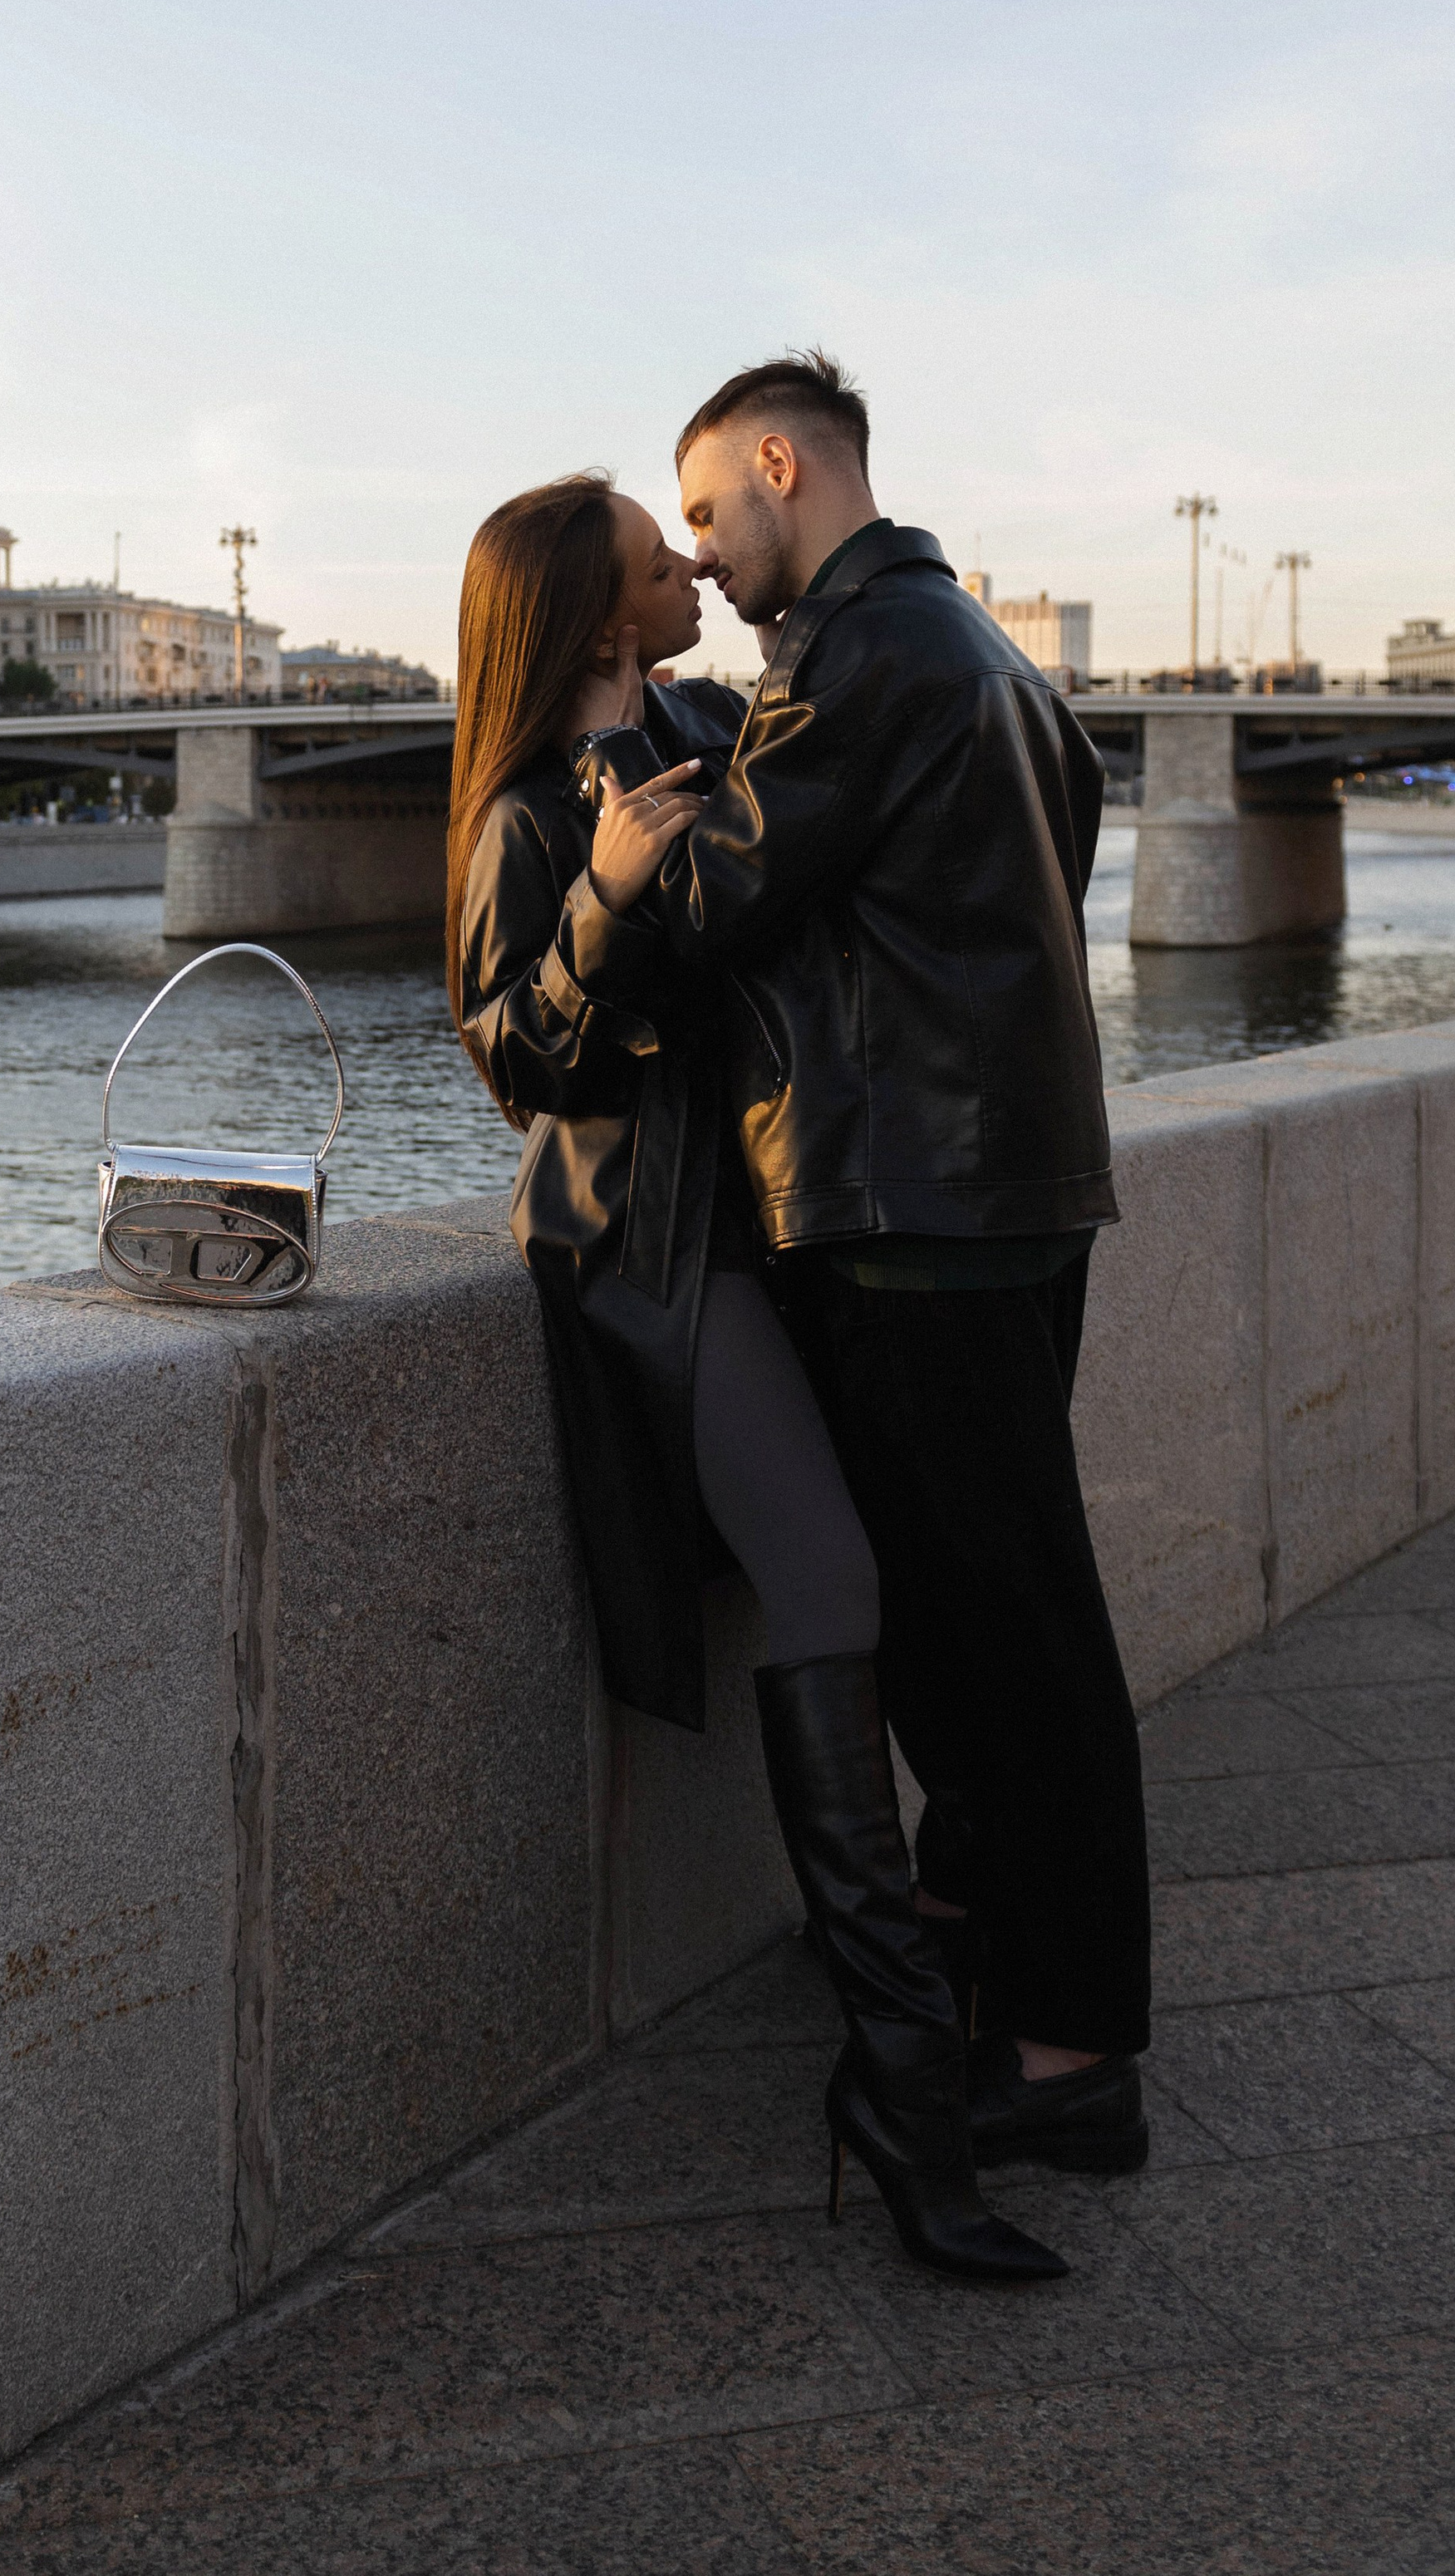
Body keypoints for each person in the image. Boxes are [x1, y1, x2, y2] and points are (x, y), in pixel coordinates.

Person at [449, 469, 1066, 2280]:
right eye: (658, 563)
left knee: (909, 1574)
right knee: (830, 1577)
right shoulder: (514, 814)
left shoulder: (719, 723)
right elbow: (519, 1065)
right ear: (587, 609)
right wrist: (606, 904)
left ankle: (911, 2011)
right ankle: (899, 2089)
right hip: (659, 1247)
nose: (691, 572)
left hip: (791, 1218)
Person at [559, 351, 1151, 2180]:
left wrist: (602, 788)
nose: (714, 568)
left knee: (1012, 1630)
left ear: (773, 464)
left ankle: (1065, 2057)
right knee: (976, 1615)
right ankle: (981, 1942)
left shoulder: (869, 654)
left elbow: (721, 887)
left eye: (715, 522)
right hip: (1005, 1190)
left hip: (912, 1210)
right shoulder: (986, 654)